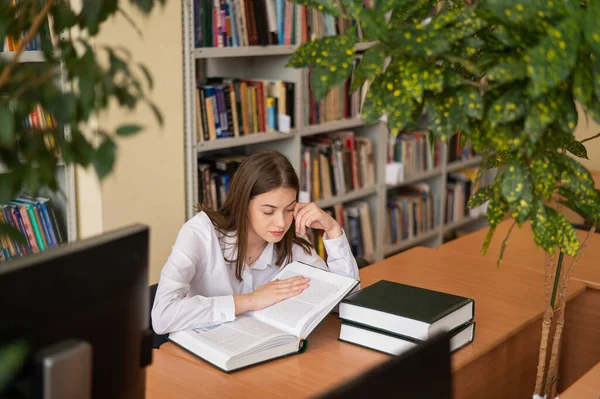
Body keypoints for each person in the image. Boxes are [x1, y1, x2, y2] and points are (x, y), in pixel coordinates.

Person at [151, 150, 359, 334]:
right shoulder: (199, 234)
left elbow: (344, 305)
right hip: (200, 357)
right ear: (243, 204)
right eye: (268, 211)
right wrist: (251, 300)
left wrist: (332, 230)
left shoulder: (292, 243)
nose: (281, 223)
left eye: (289, 210)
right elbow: (162, 316)